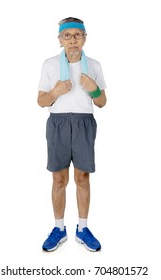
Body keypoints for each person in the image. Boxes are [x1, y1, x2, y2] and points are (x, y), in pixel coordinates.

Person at [37, 17, 107, 252]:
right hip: (57, 123)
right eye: (68, 35)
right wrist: (55, 91)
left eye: (78, 35)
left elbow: (102, 102)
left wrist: (94, 89)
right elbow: (41, 101)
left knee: (82, 178)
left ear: (85, 38)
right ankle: (59, 229)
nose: (73, 40)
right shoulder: (49, 65)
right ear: (60, 40)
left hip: (84, 123)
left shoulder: (94, 66)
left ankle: (83, 228)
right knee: (59, 179)